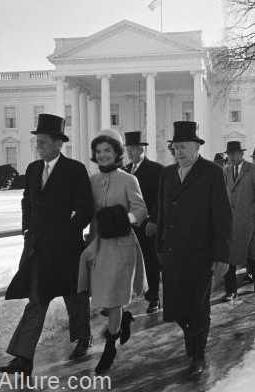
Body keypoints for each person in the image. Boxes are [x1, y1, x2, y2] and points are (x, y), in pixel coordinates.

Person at [0, 114, 94, 377]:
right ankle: (23, 358)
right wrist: (26, 226)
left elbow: (86, 208)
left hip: (67, 249)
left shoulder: (75, 170)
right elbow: (27, 200)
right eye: (37, 141)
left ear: (58, 143)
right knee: (37, 301)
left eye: (43, 141)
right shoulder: (32, 169)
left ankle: (83, 339)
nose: (38, 145)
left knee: (75, 297)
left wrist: (69, 231)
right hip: (39, 249)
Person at [157, 121, 232, 379]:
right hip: (173, 254)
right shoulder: (167, 174)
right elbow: (162, 214)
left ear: (197, 147)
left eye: (184, 147)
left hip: (201, 254)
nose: (179, 152)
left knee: (199, 307)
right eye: (176, 147)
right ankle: (191, 337)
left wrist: (222, 255)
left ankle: (198, 354)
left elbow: (223, 216)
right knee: (177, 308)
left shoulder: (211, 172)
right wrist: (159, 248)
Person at [78, 128, 148, 374]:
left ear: (117, 153)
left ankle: (110, 345)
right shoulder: (92, 181)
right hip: (98, 245)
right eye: (98, 151)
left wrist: (123, 218)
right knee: (104, 296)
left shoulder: (129, 179)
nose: (103, 155)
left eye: (108, 150)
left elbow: (141, 211)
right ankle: (123, 320)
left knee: (116, 296)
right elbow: (86, 211)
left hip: (121, 245)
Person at [124, 131, 163, 313]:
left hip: (147, 226)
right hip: (128, 227)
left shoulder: (156, 170)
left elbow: (160, 199)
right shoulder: (124, 170)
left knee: (150, 262)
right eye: (128, 149)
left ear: (142, 148)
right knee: (127, 262)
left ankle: (154, 298)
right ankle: (126, 297)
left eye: (133, 149)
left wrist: (154, 221)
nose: (130, 152)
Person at [222, 141, 255, 301]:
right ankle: (231, 291)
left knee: (252, 256)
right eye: (229, 154)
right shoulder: (226, 171)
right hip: (230, 223)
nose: (232, 157)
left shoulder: (252, 170)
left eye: (235, 153)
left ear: (242, 154)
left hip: (249, 223)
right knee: (229, 257)